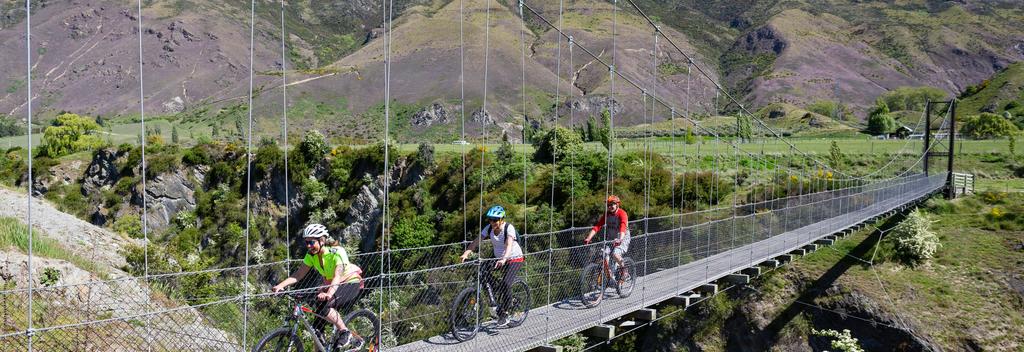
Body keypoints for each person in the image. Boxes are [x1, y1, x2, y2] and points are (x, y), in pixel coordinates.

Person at [272, 224, 364, 349]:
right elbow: (299, 274)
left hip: (350, 282)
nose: (308, 246)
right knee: (316, 329)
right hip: (332, 284)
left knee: (324, 305)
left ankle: (344, 332)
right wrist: (280, 286)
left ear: (322, 240)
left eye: (311, 242)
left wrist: (328, 294)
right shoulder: (311, 255)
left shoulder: (337, 252)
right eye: (306, 243)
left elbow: (337, 276)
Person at [459, 205, 524, 327]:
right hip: (498, 258)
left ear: (502, 219)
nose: (492, 222)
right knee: (482, 271)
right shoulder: (488, 228)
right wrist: (466, 253)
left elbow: (509, 245)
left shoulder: (509, 228)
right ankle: (496, 291)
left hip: (514, 258)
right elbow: (477, 240)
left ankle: (504, 313)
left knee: (506, 283)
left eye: (495, 219)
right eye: (490, 219)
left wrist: (504, 259)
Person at [583, 195, 630, 282]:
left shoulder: (622, 213)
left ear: (617, 205)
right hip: (611, 239)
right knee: (603, 254)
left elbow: (623, 226)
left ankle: (624, 270)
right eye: (608, 205)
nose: (610, 207)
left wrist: (620, 239)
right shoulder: (607, 215)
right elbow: (597, 226)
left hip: (622, 238)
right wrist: (588, 238)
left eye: (612, 204)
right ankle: (610, 275)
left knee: (616, 254)